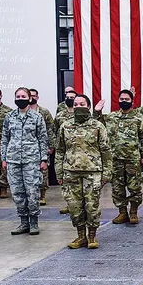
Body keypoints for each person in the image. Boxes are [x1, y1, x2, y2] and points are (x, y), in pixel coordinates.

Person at [57, 94, 110, 248]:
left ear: (88, 106)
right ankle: (81, 236)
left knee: (91, 205)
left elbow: (106, 151)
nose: (78, 106)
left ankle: (92, 236)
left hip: (92, 172)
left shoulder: (97, 126)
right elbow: (60, 150)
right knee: (74, 206)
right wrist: (59, 172)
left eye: (82, 104)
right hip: (70, 172)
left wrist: (107, 173)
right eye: (76, 104)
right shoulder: (65, 126)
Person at [96, 89, 143, 225]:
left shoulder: (138, 118)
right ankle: (122, 212)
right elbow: (97, 125)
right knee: (117, 188)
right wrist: (97, 111)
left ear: (132, 101)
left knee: (134, 187)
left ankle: (133, 212)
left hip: (132, 159)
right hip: (115, 159)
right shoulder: (112, 117)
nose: (123, 101)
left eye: (126, 99)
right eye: (121, 99)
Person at [2, 87, 50, 235]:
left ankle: (34, 222)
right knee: (17, 192)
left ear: (29, 98)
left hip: (31, 160)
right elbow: (4, 138)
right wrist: (4, 158)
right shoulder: (9, 116)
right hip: (13, 160)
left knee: (32, 191)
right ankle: (23, 222)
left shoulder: (37, 117)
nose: (20, 98)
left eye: (23, 96)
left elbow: (43, 139)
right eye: (18, 96)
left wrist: (43, 159)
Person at [27, 88, 55, 206]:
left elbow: (50, 129)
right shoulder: (22, 111)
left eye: (34, 96)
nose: (32, 98)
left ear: (37, 97)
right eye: (30, 96)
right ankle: (31, 195)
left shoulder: (44, 111)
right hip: (28, 147)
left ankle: (42, 195)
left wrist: (51, 146)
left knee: (42, 172)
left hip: (42, 146)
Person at [54, 86, 78, 215]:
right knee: (66, 179)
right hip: (64, 151)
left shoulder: (81, 115)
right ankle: (69, 204)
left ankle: (78, 204)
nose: (69, 99)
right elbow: (55, 131)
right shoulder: (59, 115)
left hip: (78, 151)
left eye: (72, 98)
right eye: (67, 98)